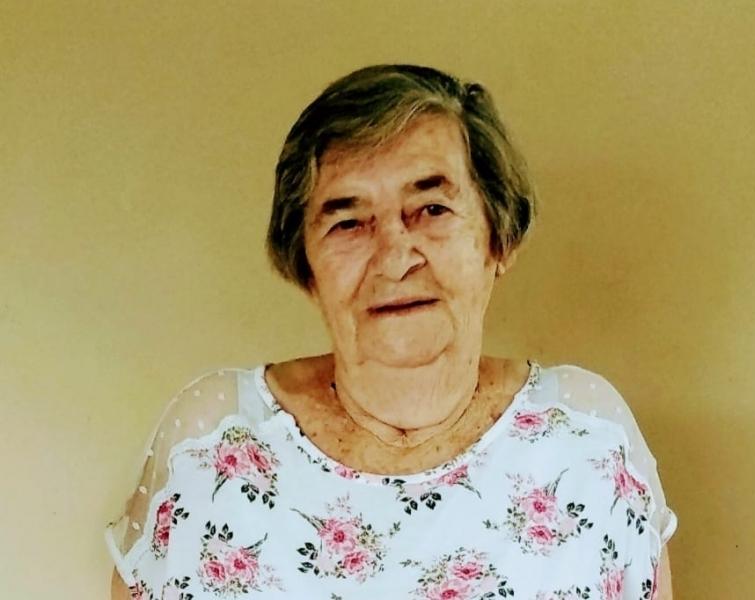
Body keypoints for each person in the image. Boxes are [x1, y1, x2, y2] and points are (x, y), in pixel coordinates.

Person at [107, 64, 676, 599]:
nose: (395, 258)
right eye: (348, 222)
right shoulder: (211, 441)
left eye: (431, 209)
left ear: (499, 238)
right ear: (306, 264)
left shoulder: (586, 438)